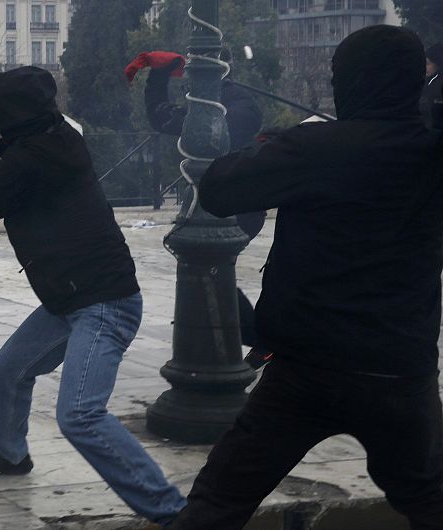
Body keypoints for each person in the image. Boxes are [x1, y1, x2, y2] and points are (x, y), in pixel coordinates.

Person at [167, 25, 443, 529]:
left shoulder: (316, 148)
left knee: (220, 500)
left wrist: (277, 145)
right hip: (400, 370)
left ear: (349, 81)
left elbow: (220, 189)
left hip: (306, 370)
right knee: (428, 496)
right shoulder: (430, 151)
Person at [0, 66, 186, 526]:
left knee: (80, 414)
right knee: (10, 369)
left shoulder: (35, 157)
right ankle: (9, 453)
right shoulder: (52, 140)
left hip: (103, 305)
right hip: (69, 298)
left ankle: (174, 513)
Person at [126, 47, 270, 368]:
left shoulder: (238, 100)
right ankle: (235, 339)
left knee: (211, 267)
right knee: (205, 270)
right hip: (209, 202)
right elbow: (162, 118)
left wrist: (197, 110)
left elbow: (223, 130)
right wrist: (159, 75)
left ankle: (263, 340)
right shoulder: (200, 103)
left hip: (240, 203)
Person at [420, 43, 443, 130]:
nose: (424, 67)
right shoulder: (426, 80)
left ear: (438, 64)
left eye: (428, 63)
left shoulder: (438, 86)